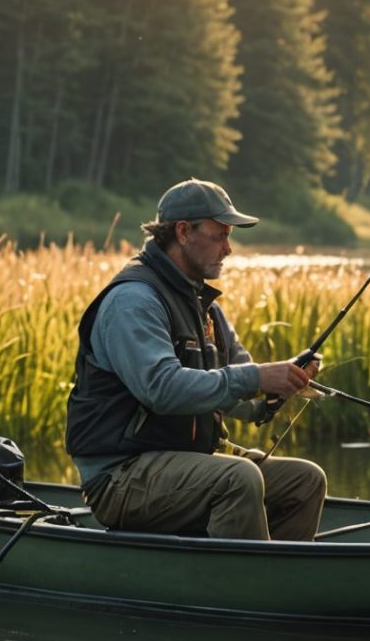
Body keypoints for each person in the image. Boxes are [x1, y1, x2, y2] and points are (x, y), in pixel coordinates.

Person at [65, 178, 328, 541]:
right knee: (239, 478)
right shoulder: (134, 301)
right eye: (220, 234)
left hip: (185, 463)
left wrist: (283, 384)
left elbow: (241, 397)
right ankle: (243, 589)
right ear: (184, 231)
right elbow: (161, 389)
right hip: (120, 476)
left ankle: (283, 585)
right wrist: (256, 378)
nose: (228, 248)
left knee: (305, 480)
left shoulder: (203, 307)